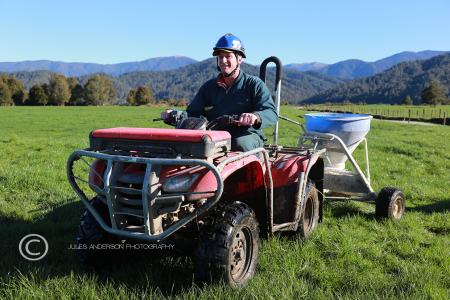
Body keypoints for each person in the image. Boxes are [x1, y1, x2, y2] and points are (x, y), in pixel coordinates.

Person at [161, 33, 277, 151]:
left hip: (246, 135)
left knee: (239, 143)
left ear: (239, 58)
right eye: (220, 57)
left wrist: (256, 116)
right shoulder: (209, 87)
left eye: (228, 56)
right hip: (216, 136)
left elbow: (271, 113)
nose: (223, 60)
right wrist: (175, 115)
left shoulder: (254, 84)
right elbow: (193, 113)